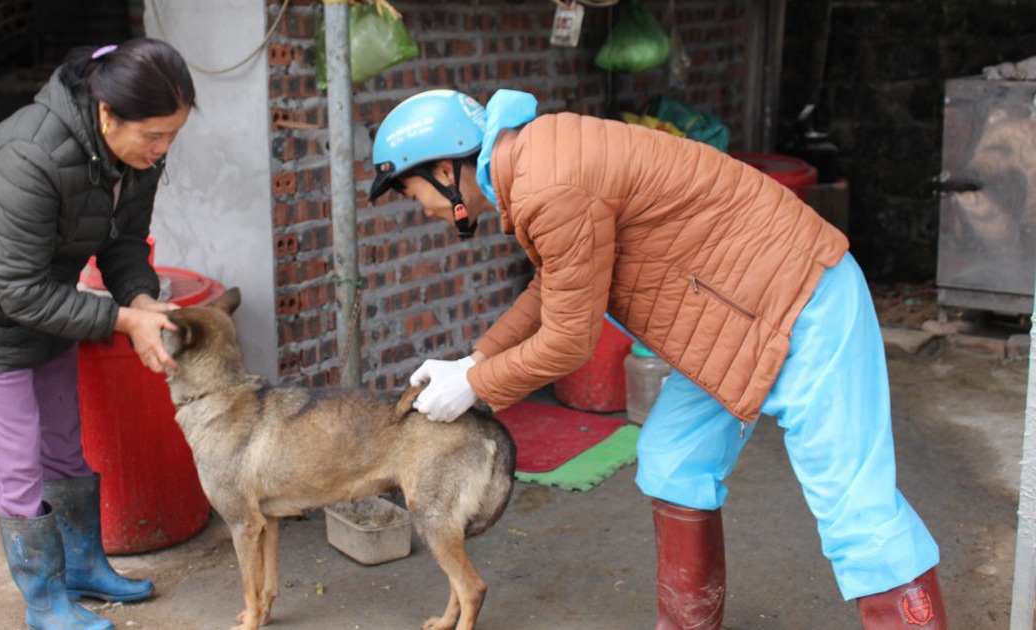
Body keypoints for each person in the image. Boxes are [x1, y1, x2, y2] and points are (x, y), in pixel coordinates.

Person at [369, 89, 948, 630]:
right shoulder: (537, 163)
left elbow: (570, 339)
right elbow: (556, 286)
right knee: (674, 458)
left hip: (800, 297)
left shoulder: (548, 181)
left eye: (412, 195)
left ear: (445, 171)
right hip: (724, 319)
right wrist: (476, 359)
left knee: (855, 507)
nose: (423, 211)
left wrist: (478, 385)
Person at [0, 38, 195, 630]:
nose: (164, 148)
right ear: (106, 114)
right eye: (154, 135)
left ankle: (84, 567)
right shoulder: (29, 154)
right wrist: (122, 321)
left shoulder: (136, 156)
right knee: (16, 462)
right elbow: (16, 291)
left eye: (173, 134)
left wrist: (141, 300)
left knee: (64, 442)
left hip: (45, 298)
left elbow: (122, 244)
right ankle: (44, 601)